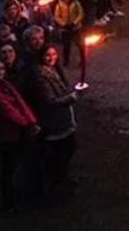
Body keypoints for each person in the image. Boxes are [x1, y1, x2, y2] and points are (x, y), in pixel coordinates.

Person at [0, 58, 40, 212]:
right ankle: (9, 201)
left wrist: (31, 121)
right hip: (6, 134)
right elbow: (7, 110)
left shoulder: (5, 85)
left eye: (1, 69)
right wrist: (27, 124)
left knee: (19, 162)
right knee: (8, 166)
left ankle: (21, 193)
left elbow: (20, 103)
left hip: (19, 130)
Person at [33, 46, 80, 194]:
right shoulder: (41, 76)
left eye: (53, 54)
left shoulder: (52, 70)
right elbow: (51, 100)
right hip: (54, 120)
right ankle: (56, 184)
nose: (51, 57)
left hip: (62, 117)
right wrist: (71, 97)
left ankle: (62, 178)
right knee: (62, 152)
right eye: (47, 55)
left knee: (68, 149)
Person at [53, 0, 85, 68]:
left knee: (80, 44)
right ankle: (66, 61)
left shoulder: (76, 3)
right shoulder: (59, 4)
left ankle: (83, 60)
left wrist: (74, 22)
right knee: (66, 46)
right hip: (65, 29)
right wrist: (63, 24)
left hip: (75, 28)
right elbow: (57, 16)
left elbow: (81, 13)